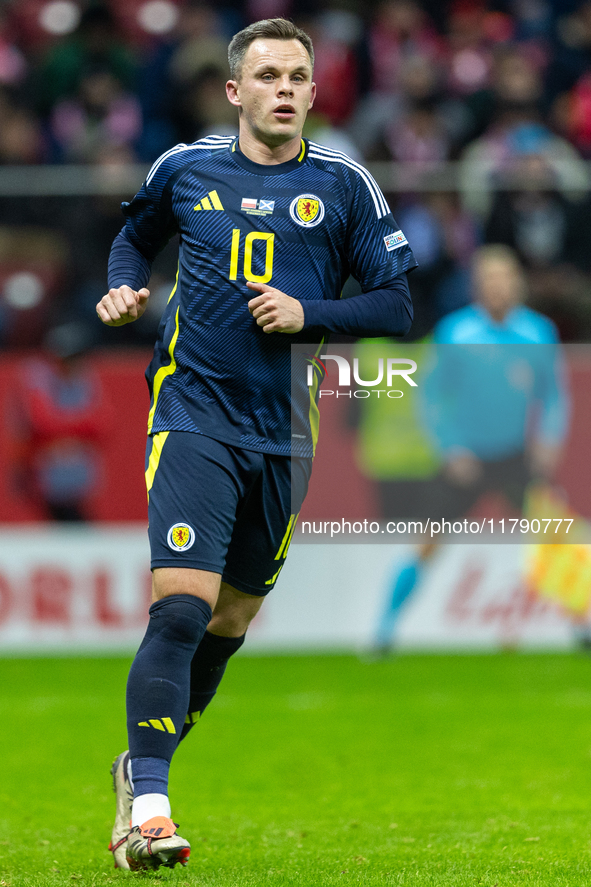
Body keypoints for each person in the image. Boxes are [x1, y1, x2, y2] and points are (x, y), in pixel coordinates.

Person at [96, 17, 416, 872]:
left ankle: (141, 765)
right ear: (235, 90)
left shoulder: (344, 187)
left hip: (284, 436)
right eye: (266, 74)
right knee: (182, 606)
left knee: (228, 623)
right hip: (191, 416)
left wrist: (310, 314)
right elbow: (135, 231)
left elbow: (396, 304)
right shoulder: (185, 167)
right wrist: (126, 282)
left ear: (314, 92)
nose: (283, 88)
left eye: (297, 76)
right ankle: (151, 808)